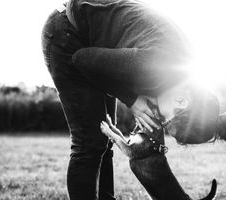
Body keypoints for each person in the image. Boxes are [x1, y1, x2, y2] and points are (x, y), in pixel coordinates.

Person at [41, 0, 193, 199]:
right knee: (89, 143)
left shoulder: (178, 68)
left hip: (93, 43)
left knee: (103, 141)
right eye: (167, 120)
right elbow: (81, 59)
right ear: (182, 102)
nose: (161, 120)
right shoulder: (158, 62)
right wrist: (132, 99)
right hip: (68, 36)